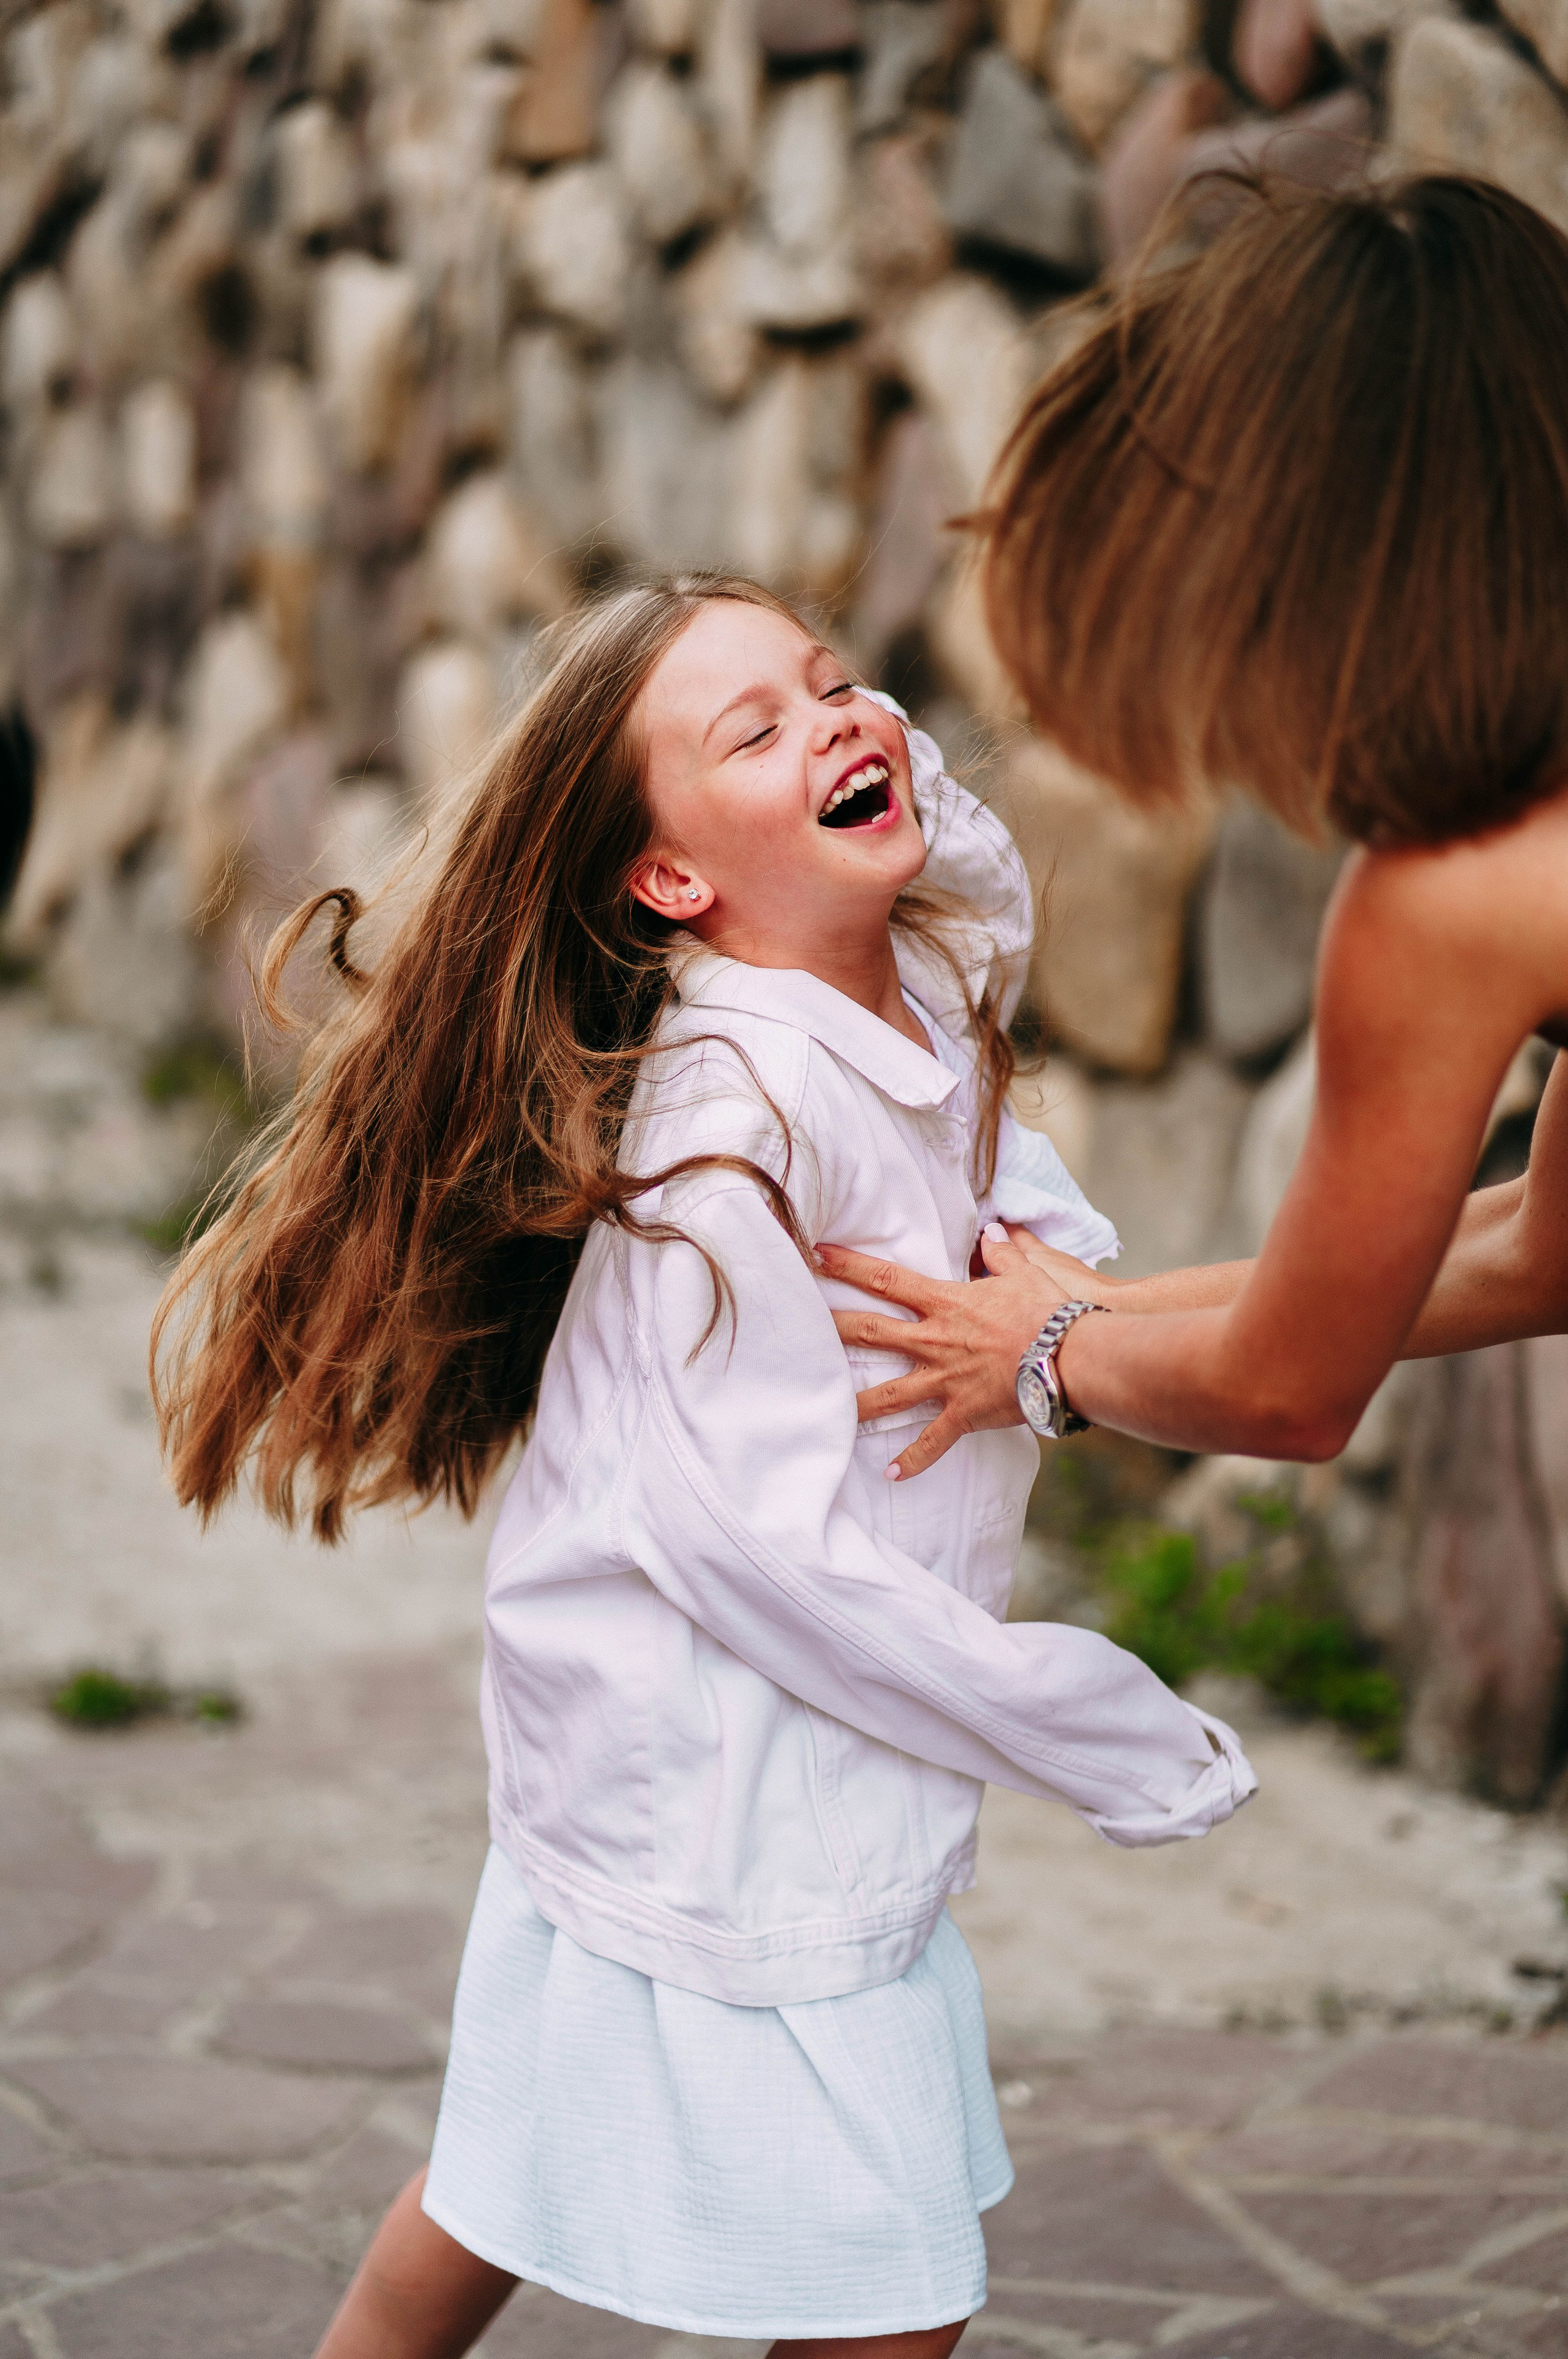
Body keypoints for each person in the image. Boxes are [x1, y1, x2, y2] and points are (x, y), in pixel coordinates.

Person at [152, 576, 1255, 2359]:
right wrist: (1082, 1721)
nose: (838, 721)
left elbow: (983, 1018)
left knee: (503, 2167)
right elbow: (755, 1549)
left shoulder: (911, 977)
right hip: (728, 1758)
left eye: (838, 684)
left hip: (773, 1726)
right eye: (757, 728)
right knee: (881, 2299)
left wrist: (1070, 1313)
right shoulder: (724, 1136)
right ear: (670, 882)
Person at [817, 173, 1568, 1481]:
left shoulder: (1453, 896)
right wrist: (1082, 1311)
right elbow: (1541, 1250)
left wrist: (1042, 1358)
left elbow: (1288, 1391)